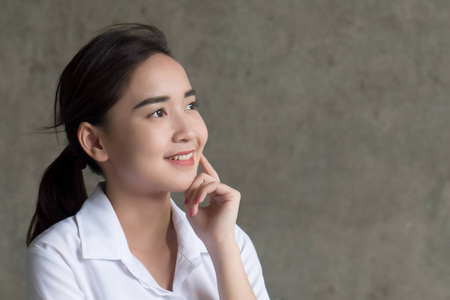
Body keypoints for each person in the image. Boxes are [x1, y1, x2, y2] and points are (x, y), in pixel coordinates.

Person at [25, 23, 269, 300]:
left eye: (190, 106)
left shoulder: (230, 241)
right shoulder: (60, 257)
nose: (189, 132)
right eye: (158, 112)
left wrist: (222, 246)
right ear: (95, 142)